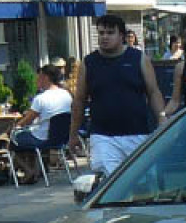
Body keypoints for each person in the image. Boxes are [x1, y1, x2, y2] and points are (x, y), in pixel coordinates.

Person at [69, 14, 167, 178]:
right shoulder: (89, 62)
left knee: (142, 183)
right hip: (103, 137)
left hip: (137, 133)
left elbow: (153, 92)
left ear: (121, 35)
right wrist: (73, 134)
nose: (104, 37)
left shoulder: (138, 58)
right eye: (101, 33)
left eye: (110, 33)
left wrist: (162, 119)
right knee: (109, 186)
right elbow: (79, 100)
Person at [10, 64, 73, 183]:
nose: (36, 79)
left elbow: (27, 120)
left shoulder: (41, 98)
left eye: (39, 76)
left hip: (42, 138)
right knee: (25, 138)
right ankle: (38, 169)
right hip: (61, 137)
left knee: (12, 141)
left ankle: (29, 170)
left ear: (45, 77)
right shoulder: (66, 94)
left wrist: (14, 128)